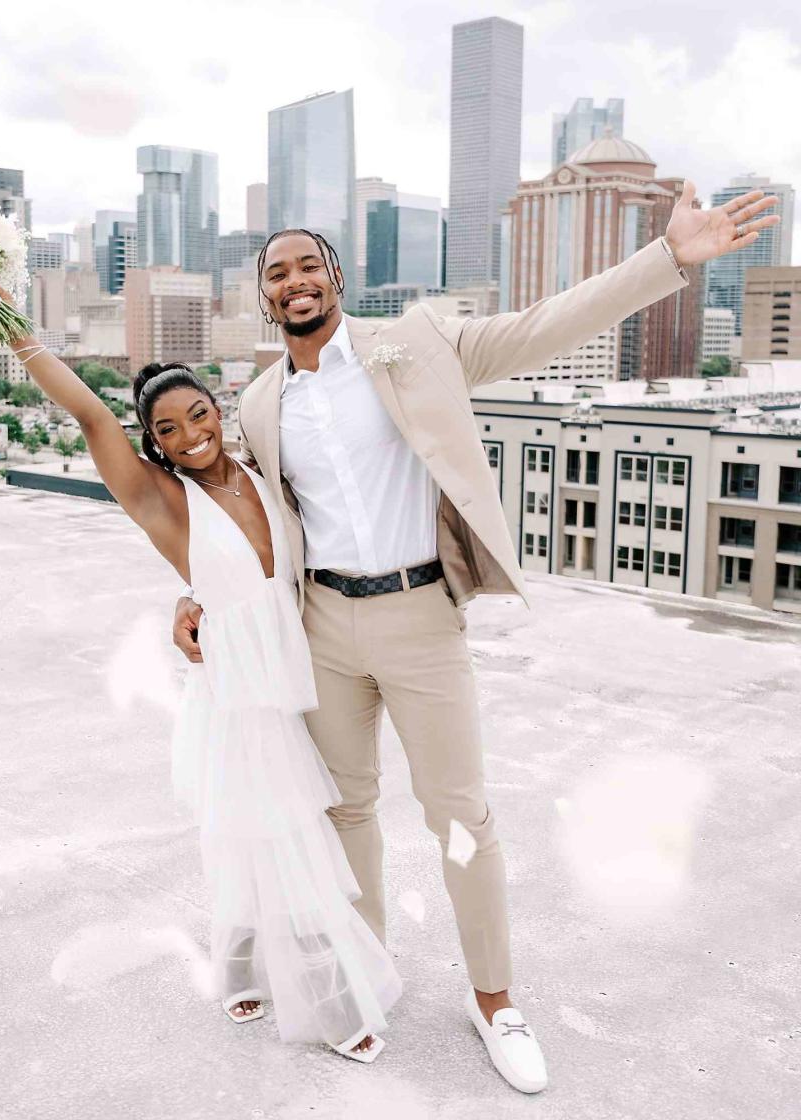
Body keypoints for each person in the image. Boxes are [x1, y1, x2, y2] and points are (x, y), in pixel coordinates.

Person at [171, 182, 780, 1093]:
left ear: (335, 277)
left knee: (461, 819)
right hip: (324, 625)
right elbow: (243, 511)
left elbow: (544, 327)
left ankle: (494, 998)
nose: (293, 281)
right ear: (264, 296)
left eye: (307, 264)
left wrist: (670, 260)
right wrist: (192, 594)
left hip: (420, 617)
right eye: (275, 272)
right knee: (346, 815)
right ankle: (363, 980)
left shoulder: (416, 344)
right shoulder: (261, 405)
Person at [0, 282, 402, 1063]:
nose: (191, 434)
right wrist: (7, 321)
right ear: (155, 445)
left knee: (252, 834)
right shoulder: (162, 498)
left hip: (294, 672)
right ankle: (335, 1006)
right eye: (168, 429)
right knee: (283, 833)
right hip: (238, 690)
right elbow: (90, 415)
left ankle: (236, 967)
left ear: (217, 410)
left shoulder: (261, 472)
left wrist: (188, 601)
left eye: (199, 414)